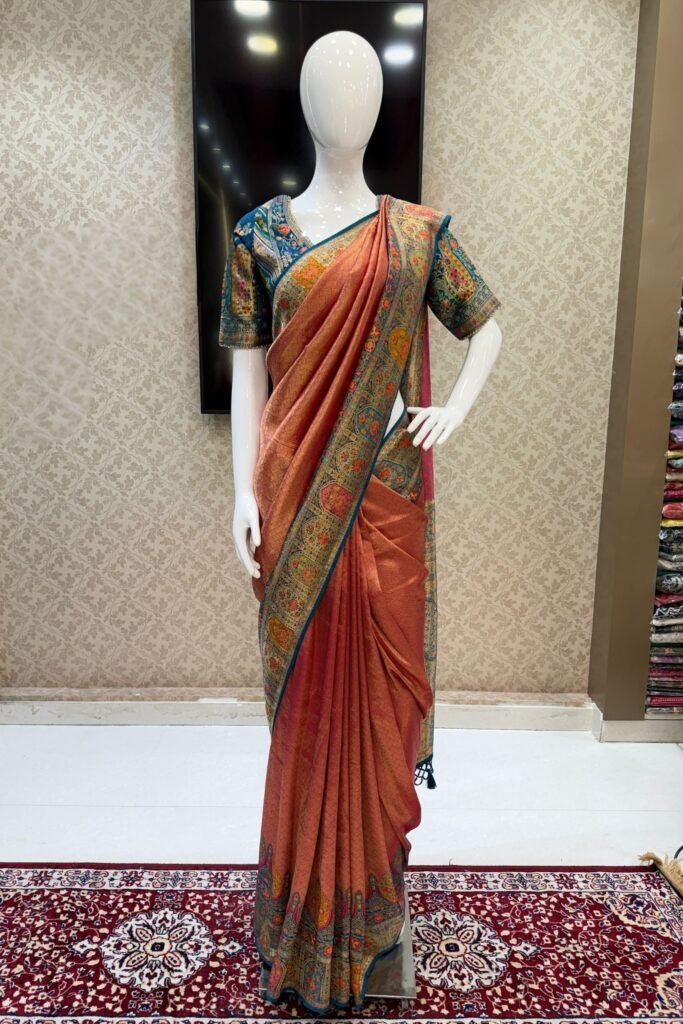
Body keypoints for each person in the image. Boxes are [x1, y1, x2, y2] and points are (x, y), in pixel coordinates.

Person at [220, 30, 502, 1014]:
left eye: (361, 89)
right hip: (295, 499)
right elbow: (247, 374)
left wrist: (451, 409)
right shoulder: (258, 235)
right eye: (326, 89)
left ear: (381, 107)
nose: (345, 105)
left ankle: (369, 918)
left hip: (380, 501)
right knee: (304, 706)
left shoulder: (415, 234)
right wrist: (240, 493)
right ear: (302, 106)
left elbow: (487, 325)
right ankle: (301, 916)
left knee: (375, 705)